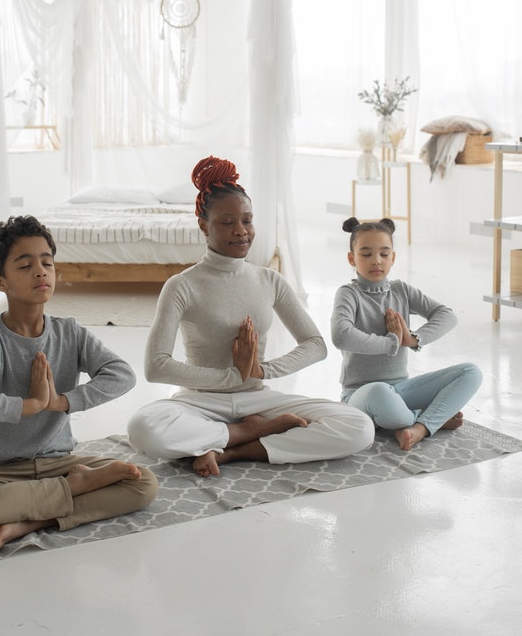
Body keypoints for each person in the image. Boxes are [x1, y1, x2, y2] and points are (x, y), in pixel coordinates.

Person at [127, 156, 374, 477]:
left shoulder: (269, 280)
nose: (241, 230)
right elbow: (155, 366)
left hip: (259, 400)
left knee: (360, 426)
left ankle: (231, 451)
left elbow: (316, 345)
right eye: (227, 222)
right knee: (143, 427)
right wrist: (231, 378)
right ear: (204, 225)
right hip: (201, 402)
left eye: (247, 220)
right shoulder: (182, 285)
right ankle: (248, 433)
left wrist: (260, 370)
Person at [0, 215, 158, 554]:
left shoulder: (69, 332)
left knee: (143, 483)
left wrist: (61, 401)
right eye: (25, 264)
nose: (41, 271)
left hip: (57, 463)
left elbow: (122, 374)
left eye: (47, 262)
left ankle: (34, 522)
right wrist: (29, 405)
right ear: (0, 282)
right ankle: (72, 491)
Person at [330, 216, 482, 451]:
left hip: (401, 391)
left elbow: (447, 315)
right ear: (352, 258)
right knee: (379, 391)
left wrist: (413, 339)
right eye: (366, 254)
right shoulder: (348, 294)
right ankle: (432, 419)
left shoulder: (401, 290)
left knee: (471, 372)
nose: (376, 261)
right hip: (360, 395)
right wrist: (392, 342)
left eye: (384, 253)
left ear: (393, 257)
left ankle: (418, 428)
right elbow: (341, 336)